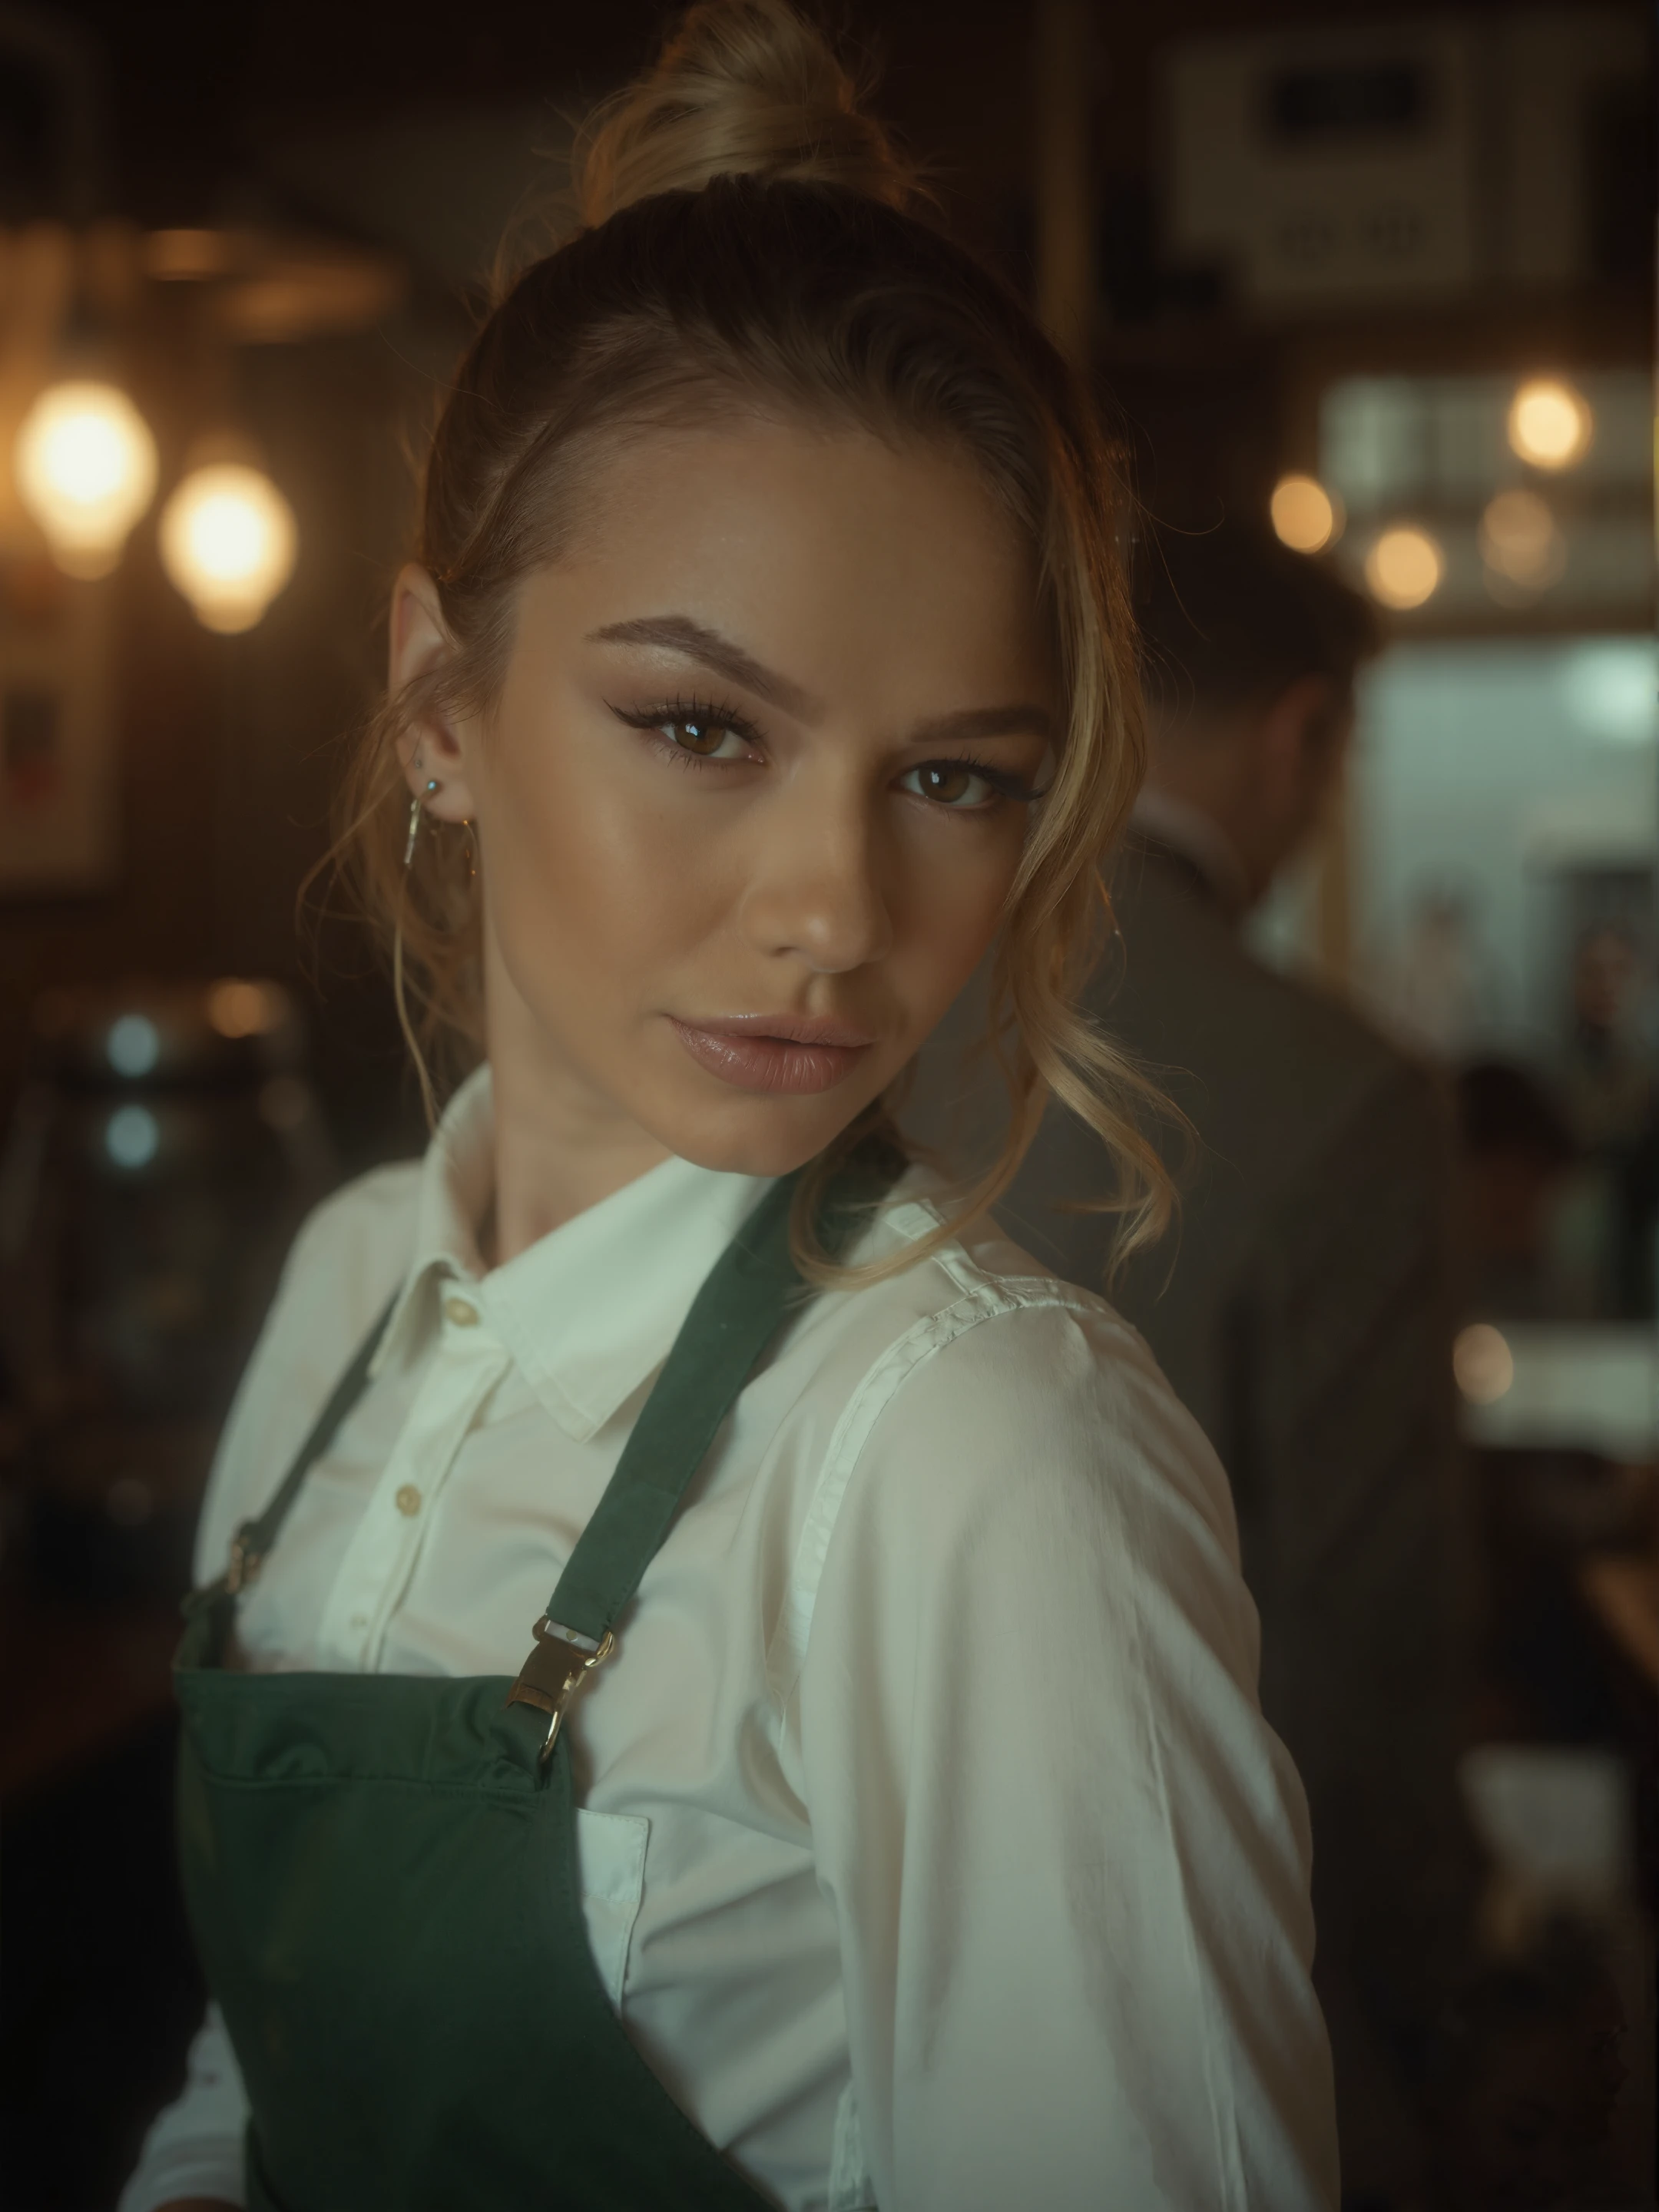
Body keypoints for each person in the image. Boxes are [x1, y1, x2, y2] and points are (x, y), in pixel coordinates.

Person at [118, 12, 1336, 2212]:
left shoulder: (979, 1458)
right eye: (701, 727)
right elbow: (261, 2072)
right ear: (436, 707)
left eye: (958, 777)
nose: (836, 911)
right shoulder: (343, 1298)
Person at [969, 523, 1482, 2207]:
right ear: (1302, 733)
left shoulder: (881, 1000)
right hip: (1202, 1952)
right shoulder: (1343, 1098)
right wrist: (1442, 2006)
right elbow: (1362, 1630)